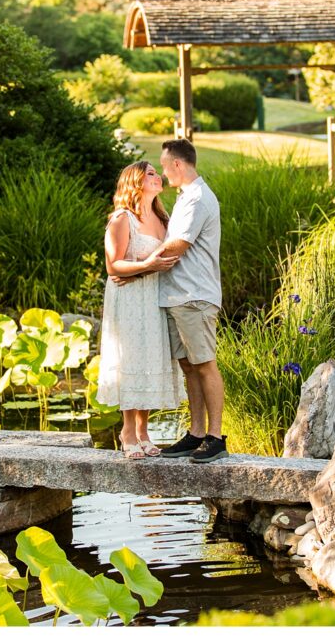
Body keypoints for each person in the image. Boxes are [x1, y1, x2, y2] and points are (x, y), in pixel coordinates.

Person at [96, 161, 187, 459]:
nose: (158, 176)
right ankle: (127, 430)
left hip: (155, 296)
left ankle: (144, 431)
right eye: (150, 173)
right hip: (130, 297)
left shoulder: (163, 217)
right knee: (131, 357)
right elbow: (113, 266)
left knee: (150, 358)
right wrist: (147, 266)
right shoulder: (123, 219)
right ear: (135, 181)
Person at [152, 138, 228, 463]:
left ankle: (216, 437)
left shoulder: (198, 199)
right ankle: (196, 433)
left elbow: (179, 244)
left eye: (165, 166)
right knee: (189, 366)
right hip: (177, 296)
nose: (164, 172)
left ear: (178, 165)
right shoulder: (185, 197)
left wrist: (141, 259)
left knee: (205, 364)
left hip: (194, 296)